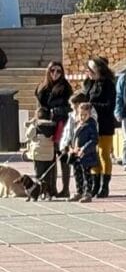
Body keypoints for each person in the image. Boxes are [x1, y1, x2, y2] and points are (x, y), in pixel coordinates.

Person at [82, 57, 118, 199]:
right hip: (92, 125)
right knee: (93, 154)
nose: (89, 72)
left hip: (104, 124)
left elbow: (109, 106)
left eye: (91, 70)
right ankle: (94, 184)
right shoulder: (90, 84)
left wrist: (93, 106)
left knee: (103, 154)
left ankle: (105, 185)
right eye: (88, 69)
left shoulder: (108, 84)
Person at [36, 61, 74, 198]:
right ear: (48, 71)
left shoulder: (66, 88)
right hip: (46, 127)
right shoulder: (41, 88)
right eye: (52, 70)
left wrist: (56, 111)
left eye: (58, 71)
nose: (55, 74)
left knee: (63, 157)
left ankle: (65, 189)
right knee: (49, 157)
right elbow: (39, 108)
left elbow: (70, 108)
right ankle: (50, 188)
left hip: (61, 126)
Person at [69, 101, 101, 204]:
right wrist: (71, 147)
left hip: (87, 154)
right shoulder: (78, 123)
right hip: (77, 153)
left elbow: (94, 140)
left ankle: (88, 193)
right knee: (77, 173)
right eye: (80, 114)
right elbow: (74, 137)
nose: (82, 117)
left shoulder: (91, 124)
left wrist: (84, 149)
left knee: (86, 174)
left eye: (85, 115)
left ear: (90, 114)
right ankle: (79, 191)